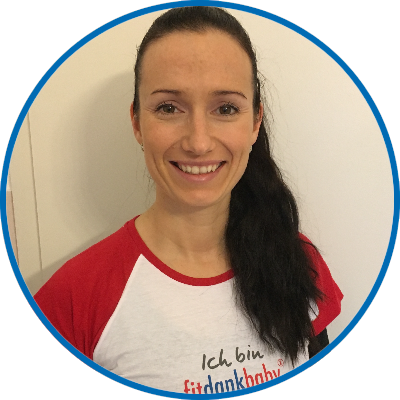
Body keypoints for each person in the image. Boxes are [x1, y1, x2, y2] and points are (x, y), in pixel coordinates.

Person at [34, 6, 343, 394]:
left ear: (255, 122)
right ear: (137, 123)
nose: (198, 142)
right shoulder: (72, 298)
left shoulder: (298, 261)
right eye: (169, 108)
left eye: (226, 108)